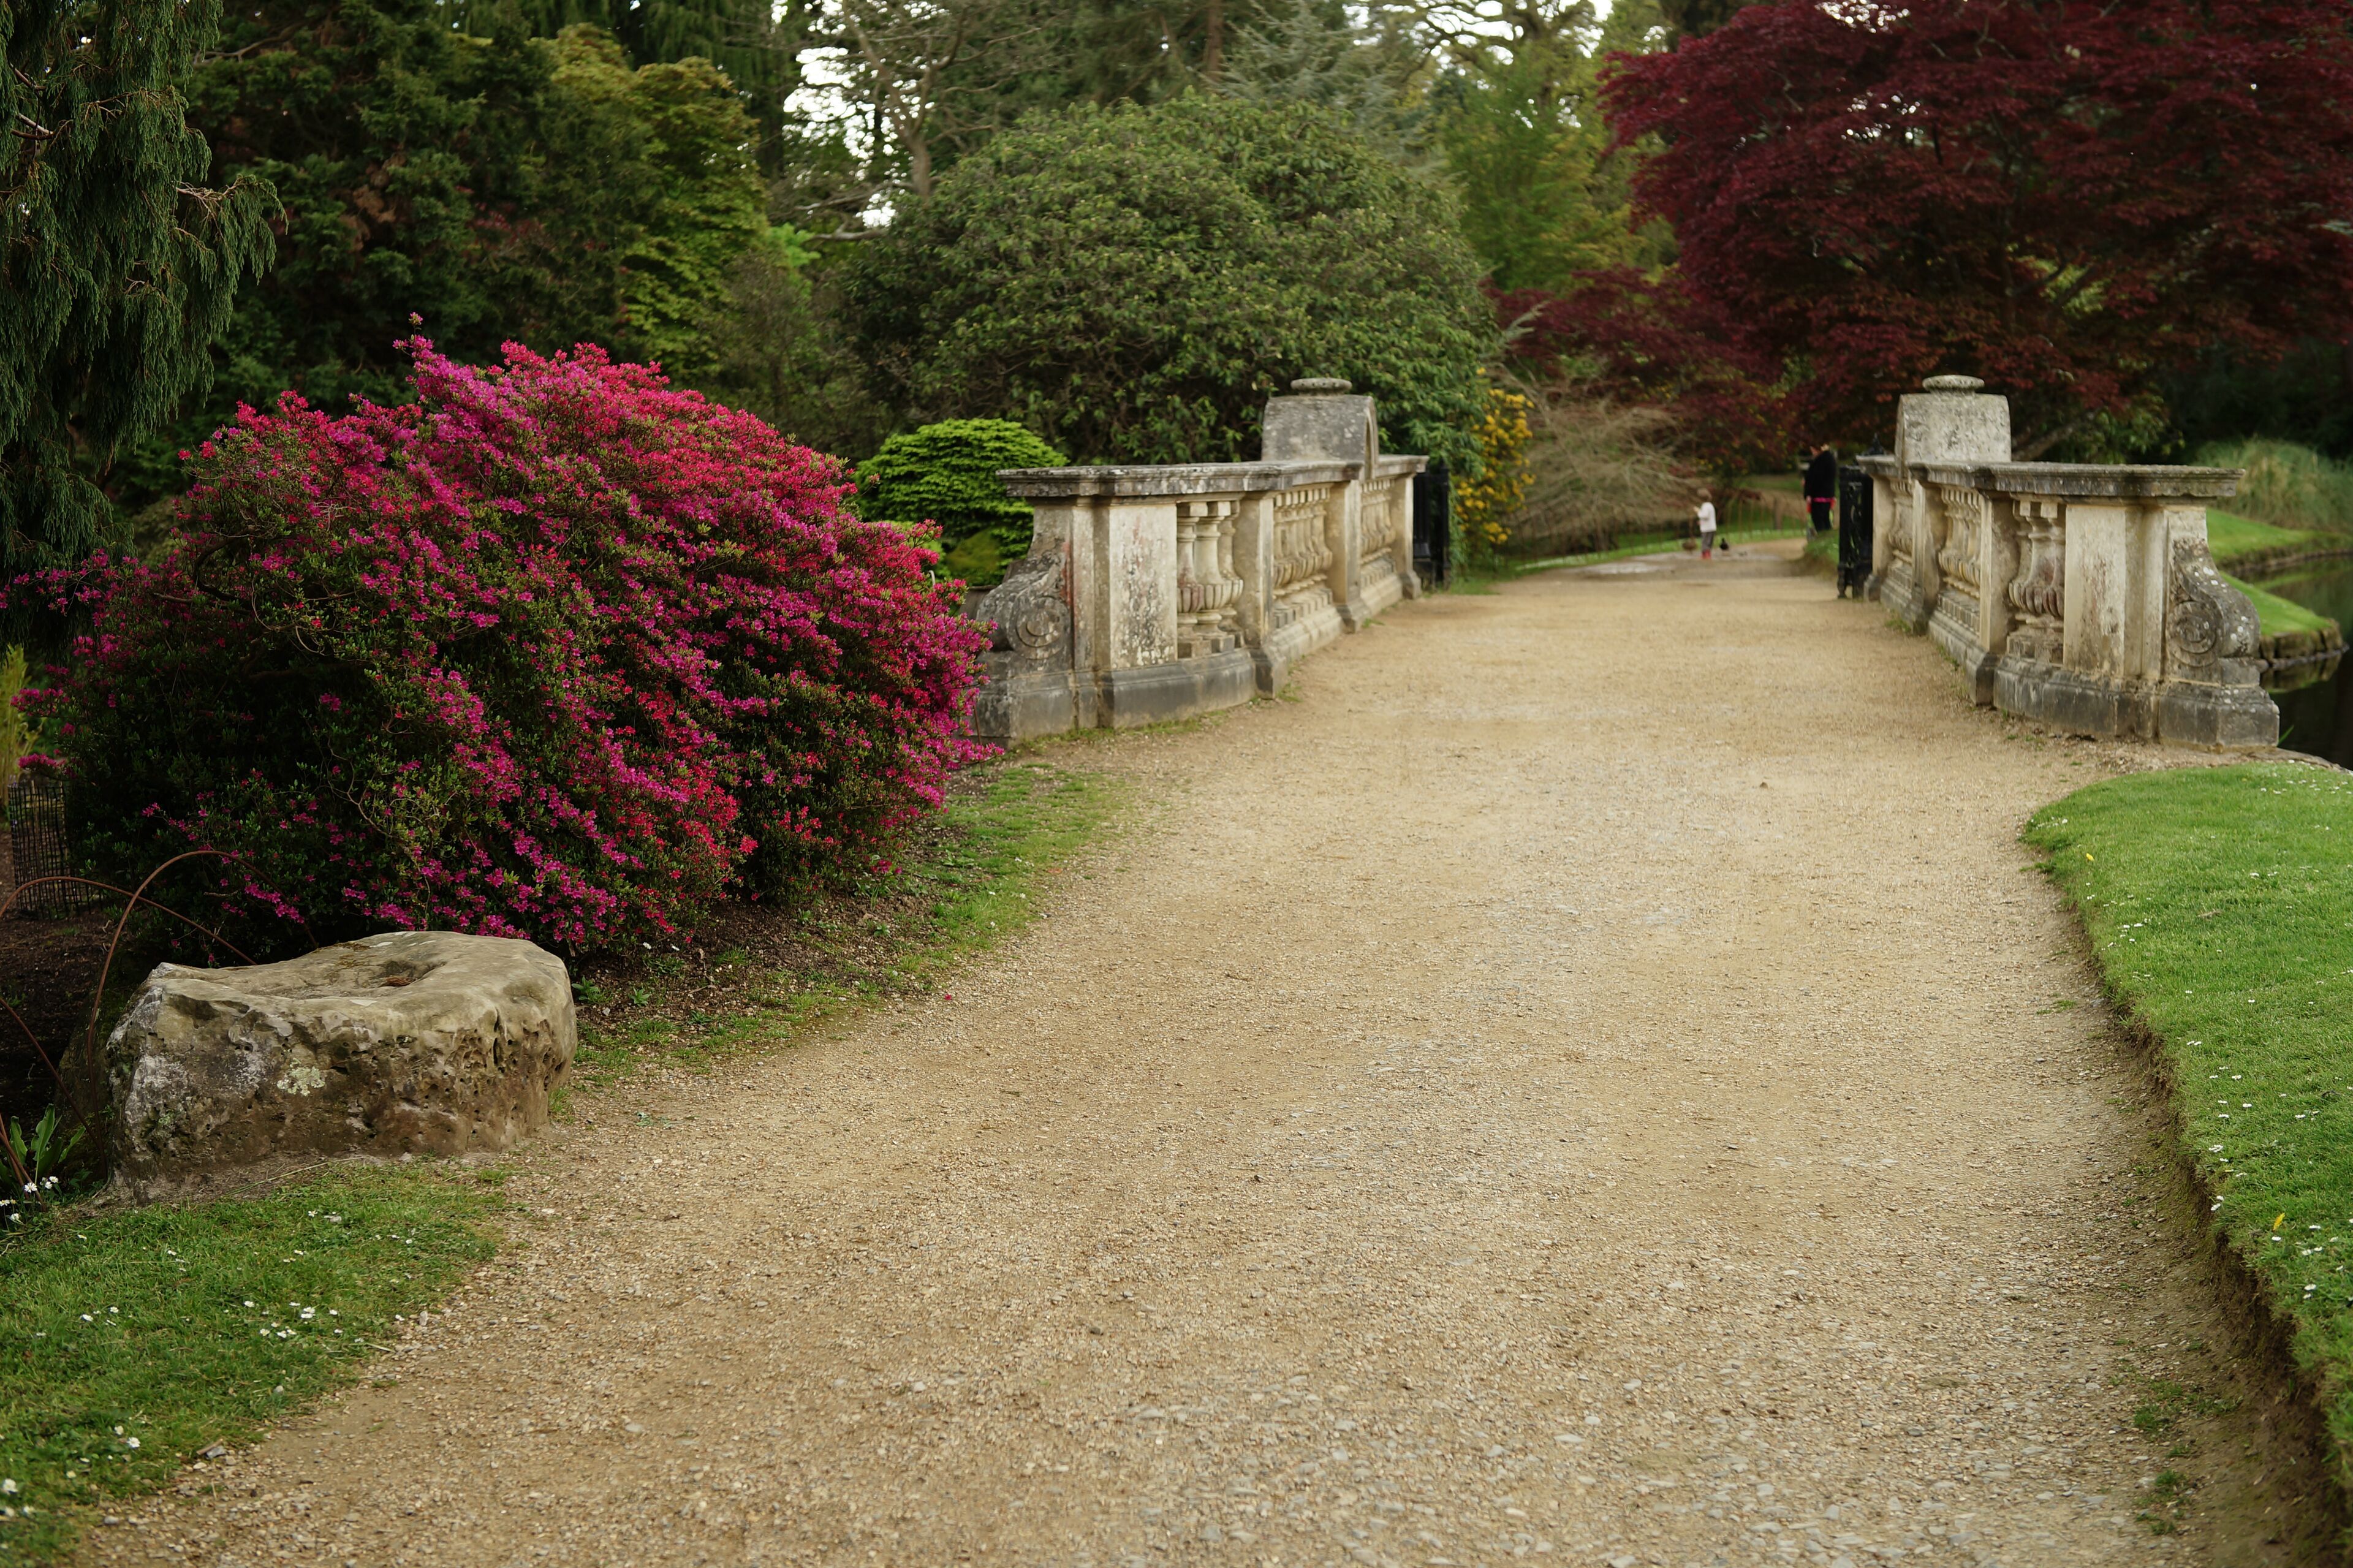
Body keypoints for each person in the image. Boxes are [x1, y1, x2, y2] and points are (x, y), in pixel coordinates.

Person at [1804, 444, 1837, 534]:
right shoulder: (1831, 459)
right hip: (1828, 495)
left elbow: (1814, 479)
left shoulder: (1819, 462)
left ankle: (1822, 538)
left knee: (1819, 520)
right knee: (1826, 520)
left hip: (1818, 496)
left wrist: (1808, 494)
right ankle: (1826, 538)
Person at [1696, 495, 1717, 559]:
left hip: (1706, 528)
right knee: (1709, 541)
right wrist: (1701, 522)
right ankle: (1707, 554)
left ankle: (1706, 556)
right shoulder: (1710, 505)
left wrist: (1698, 512)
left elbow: (1705, 516)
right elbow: (1709, 517)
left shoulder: (1705, 506)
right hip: (1712, 527)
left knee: (1705, 542)